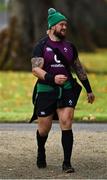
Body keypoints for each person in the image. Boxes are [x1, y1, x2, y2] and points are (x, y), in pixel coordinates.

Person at [31, 8, 95, 173]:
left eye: (66, 24)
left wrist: (88, 89)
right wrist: (52, 78)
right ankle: (41, 151)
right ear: (52, 27)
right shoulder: (41, 46)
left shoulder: (70, 47)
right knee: (44, 128)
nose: (65, 27)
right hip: (46, 90)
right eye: (61, 24)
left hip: (66, 89)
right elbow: (35, 70)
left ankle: (67, 163)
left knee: (66, 122)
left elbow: (78, 68)